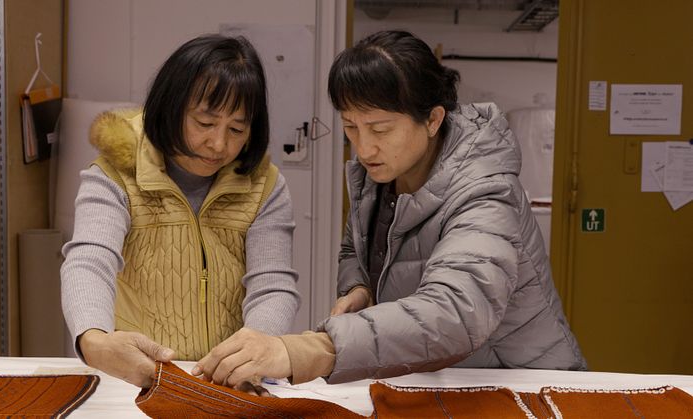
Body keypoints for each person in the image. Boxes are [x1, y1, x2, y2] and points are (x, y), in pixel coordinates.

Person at [194, 30, 586, 386]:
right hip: (443, 379)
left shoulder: (485, 189)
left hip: (523, 383)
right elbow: (356, 249)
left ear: (433, 119)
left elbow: (457, 310)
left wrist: (313, 349)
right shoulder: (378, 175)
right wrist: (359, 286)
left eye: (380, 129)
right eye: (351, 127)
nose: (364, 148)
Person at [60, 34, 300, 389]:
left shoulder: (265, 185)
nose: (218, 144)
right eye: (205, 123)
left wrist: (254, 348)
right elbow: (91, 259)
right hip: (136, 376)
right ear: (171, 107)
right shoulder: (115, 174)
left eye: (236, 129)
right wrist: (94, 339)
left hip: (231, 382)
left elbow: (272, 284)